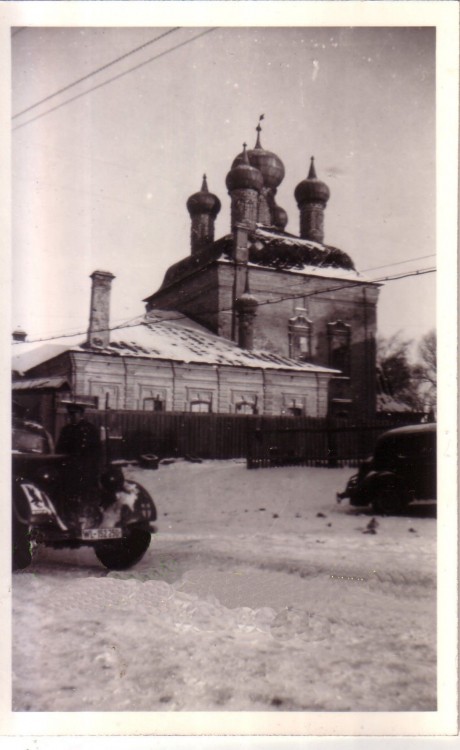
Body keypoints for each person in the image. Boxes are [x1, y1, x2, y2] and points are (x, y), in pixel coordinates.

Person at [56, 401, 102, 504]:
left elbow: (97, 450)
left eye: (74, 414)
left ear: (81, 415)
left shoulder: (90, 429)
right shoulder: (66, 430)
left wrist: (95, 467)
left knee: (87, 494)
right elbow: (59, 449)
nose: (72, 417)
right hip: (70, 467)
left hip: (87, 467)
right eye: (70, 414)